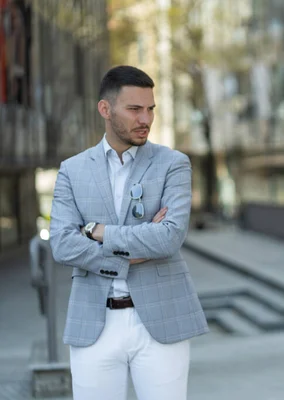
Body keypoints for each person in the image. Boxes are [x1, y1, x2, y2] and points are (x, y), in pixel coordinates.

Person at [49, 65, 209, 400]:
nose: (145, 119)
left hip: (162, 319)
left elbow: (168, 237)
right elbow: (63, 245)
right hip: (94, 321)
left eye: (150, 109)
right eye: (134, 109)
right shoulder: (72, 170)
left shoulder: (173, 164)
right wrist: (129, 257)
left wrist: (97, 231)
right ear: (105, 110)